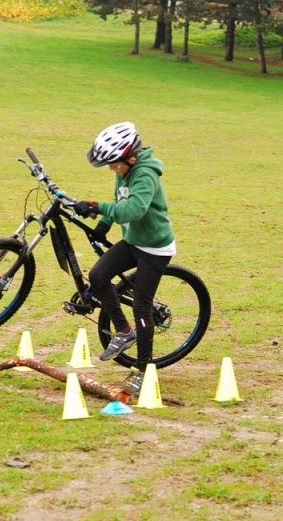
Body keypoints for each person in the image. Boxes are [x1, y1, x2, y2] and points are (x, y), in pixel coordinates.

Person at [73, 121, 176, 394]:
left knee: (142, 306)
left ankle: (144, 370)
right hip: (133, 241)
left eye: (114, 164)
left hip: (154, 248)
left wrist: (96, 207)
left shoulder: (145, 174)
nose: (111, 169)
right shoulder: (124, 170)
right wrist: (103, 223)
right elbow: (119, 201)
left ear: (131, 157)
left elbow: (133, 210)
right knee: (97, 276)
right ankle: (123, 330)